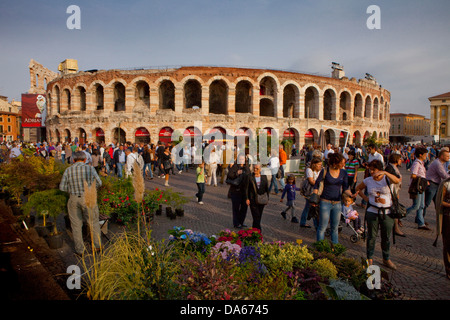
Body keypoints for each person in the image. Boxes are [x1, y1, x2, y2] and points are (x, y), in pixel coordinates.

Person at [354, 159, 400, 270]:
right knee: (371, 236)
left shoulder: (387, 179)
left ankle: (386, 258)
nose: (371, 172)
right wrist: (366, 198)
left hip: (387, 212)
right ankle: (369, 258)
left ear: (380, 170)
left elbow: (397, 181)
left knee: (386, 237)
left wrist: (385, 173)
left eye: (373, 170)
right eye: (370, 169)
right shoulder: (368, 180)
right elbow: (358, 188)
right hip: (372, 211)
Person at [59, 151, 102, 256]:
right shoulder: (90, 169)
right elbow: (99, 183)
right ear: (84, 159)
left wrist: (72, 190)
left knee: (76, 225)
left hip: (73, 198)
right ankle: (97, 246)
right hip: (88, 197)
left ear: (73, 160)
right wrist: (90, 189)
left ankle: (80, 250)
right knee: (93, 222)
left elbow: (62, 187)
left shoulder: (68, 170)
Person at [311, 152, 352, 244]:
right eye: (342, 163)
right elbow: (316, 185)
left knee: (335, 228)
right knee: (322, 227)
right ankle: (320, 248)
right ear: (335, 163)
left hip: (337, 203)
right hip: (325, 202)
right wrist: (314, 198)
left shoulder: (343, 173)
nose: (343, 165)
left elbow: (345, 188)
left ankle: (335, 248)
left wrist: (351, 194)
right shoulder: (325, 171)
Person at [406, 147, 429, 230]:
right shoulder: (416, 163)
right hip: (416, 187)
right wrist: (422, 180)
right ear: (420, 155)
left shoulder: (421, 163)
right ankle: (400, 215)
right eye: (425, 155)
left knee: (421, 205)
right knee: (416, 206)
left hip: (421, 187)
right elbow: (413, 175)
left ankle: (421, 223)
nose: (426, 156)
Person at [424, 149, 450, 221]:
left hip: (436, 184)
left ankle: (440, 219)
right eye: (447, 156)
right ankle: (420, 219)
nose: (448, 158)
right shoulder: (437, 163)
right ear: (442, 156)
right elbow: (444, 175)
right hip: (432, 184)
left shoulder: (442, 163)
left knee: (438, 203)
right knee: (426, 203)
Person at [227, 153, 250, 229]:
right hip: (236, 191)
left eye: (242, 159)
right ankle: (236, 223)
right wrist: (237, 173)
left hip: (245, 191)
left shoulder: (247, 168)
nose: (241, 161)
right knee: (236, 208)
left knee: (244, 208)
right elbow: (229, 176)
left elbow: (249, 177)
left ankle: (241, 222)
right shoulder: (235, 167)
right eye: (240, 159)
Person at [385, 153, 405, 237]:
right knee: (395, 210)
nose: (401, 161)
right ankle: (395, 228)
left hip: (395, 191)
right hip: (391, 192)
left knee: (395, 209)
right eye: (400, 159)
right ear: (396, 159)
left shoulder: (394, 167)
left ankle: (395, 227)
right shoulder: (390, 168)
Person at [245, 163, 269, 231]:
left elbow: (267, 188)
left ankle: (254, 230)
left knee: (259, 215)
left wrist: (267, 199)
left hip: (262, 199)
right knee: (256, 215)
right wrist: (247, 198)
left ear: (260, 169)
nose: (255, 170)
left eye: (257, 168)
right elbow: (246, 188)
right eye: (254, 168)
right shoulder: (250, 176)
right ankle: (259, 231)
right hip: (253, 199)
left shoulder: (264, 177)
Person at [300, 157, 322, 229]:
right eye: (318, 164)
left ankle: (304, 222)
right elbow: (311, 181)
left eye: (321, 164)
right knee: (312, 207)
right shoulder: (309, 170)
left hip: (317, 191)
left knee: (311, 207)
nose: (320, 166)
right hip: (310, 192)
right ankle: (316, 225)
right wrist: (320, 183)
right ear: (314, 164)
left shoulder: (320, 171)